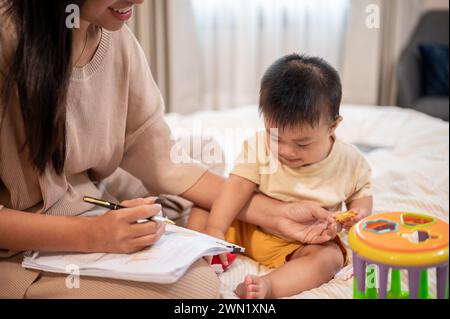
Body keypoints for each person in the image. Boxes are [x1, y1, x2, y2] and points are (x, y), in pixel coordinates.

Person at [0, 1, 337, 299]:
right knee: (193, 288)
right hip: (26, 239)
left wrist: (274, 212)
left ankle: (190, 224)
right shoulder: (7, 40)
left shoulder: (113, 35)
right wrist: (93, 235)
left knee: (205, 150)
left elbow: (157, 154)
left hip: (89, 194)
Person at [190, 54, 373, 299]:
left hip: (303, 242)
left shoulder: (350, 161)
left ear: (333, 126)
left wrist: (358, 214)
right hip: (249, 228)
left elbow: (361, 195)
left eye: (302, 143)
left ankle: (268, 286)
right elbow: (237, 186)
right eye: (275, 137)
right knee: (203, 205)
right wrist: (215, 228)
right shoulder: (258, 147)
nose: (286, 151)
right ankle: (198, 259)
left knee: (330, 258)